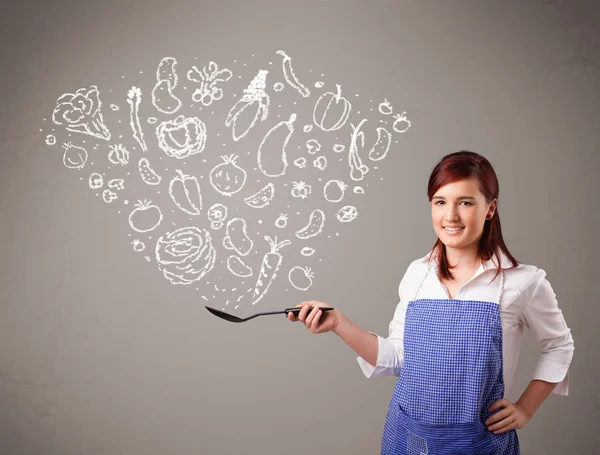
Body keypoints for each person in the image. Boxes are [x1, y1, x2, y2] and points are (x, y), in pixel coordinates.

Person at [288, 150, 575, 455]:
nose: (450, 216)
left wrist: (526, 408)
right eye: (440, 202)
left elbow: (559, 346)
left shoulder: (523, 281)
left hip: (478, 444)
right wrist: (338, 324)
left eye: (465, 202)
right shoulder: (417, 274)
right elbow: (398, 357)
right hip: (408, 438)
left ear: (490, 209)